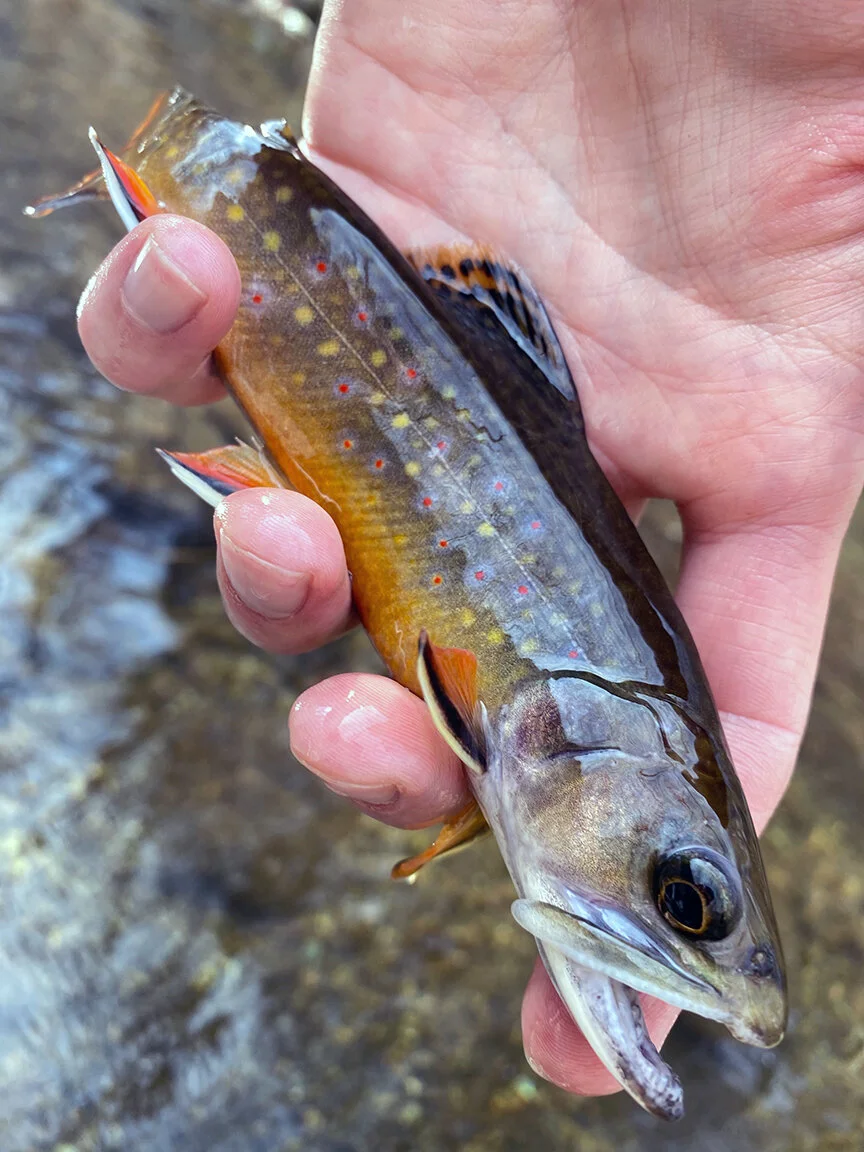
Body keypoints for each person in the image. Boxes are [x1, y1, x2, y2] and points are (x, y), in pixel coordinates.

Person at [75, 0, 864, 1101]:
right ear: (566, 741)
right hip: (274, 207)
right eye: (685, 899)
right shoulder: (516, 721)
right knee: (182, 219)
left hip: (297, 236)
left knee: (205, 317)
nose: (679, 924)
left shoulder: (514, 730)